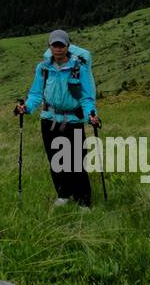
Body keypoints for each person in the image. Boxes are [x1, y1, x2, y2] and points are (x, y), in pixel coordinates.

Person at [13, 30, 99, 208]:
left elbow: (86, 97)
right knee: (56, 160)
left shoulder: (78, 68)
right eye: (55, 45)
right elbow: (36, 93)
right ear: (49, 46)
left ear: (68, 46)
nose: (58, 49)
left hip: (73, 120)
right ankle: (63, 195)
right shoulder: (43, 68)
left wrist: (91, 114)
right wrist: (27, 107)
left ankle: (83, 201)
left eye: (62, 45)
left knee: (76, 162)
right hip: (48, 119)